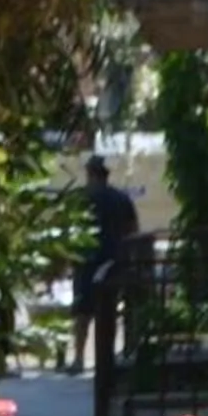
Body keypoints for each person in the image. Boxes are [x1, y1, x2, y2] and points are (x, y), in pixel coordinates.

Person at [68, 155, 142, 373]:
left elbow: (70, 233)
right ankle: (115, 357)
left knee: (83, 313)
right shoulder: (121, 198)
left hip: (87, 262)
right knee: (110, 312)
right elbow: (134, 230)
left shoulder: (81, 198)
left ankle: (79, 359)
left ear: (90, 174)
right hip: (115, 261)